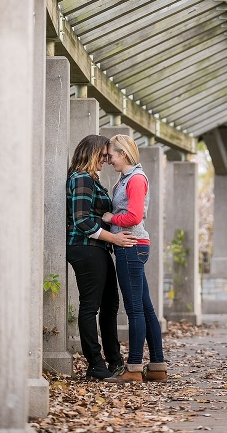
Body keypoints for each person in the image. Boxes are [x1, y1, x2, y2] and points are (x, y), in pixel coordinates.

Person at [67, 134, 136, 381]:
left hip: (97, 248)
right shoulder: (82, 178)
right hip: (85, 248)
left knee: (110, 304)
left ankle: (115, 361)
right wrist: (114, 238)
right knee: (91, 306)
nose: (106, 160)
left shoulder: (91, 179)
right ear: (91, 152)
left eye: (108, 156)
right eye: (103, 155)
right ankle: (96, 364)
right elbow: (82, 220)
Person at [103, 134, 166, 382]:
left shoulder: (136, 179)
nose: (108, 160)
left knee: (135, 310)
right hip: (132, 247)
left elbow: (134, 217)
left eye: (111, 155)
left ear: (123, 154)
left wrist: (111, 219)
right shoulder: (126, 178)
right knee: (146, 308)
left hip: (131, 246)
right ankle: (157, 365)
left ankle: (134, 368)